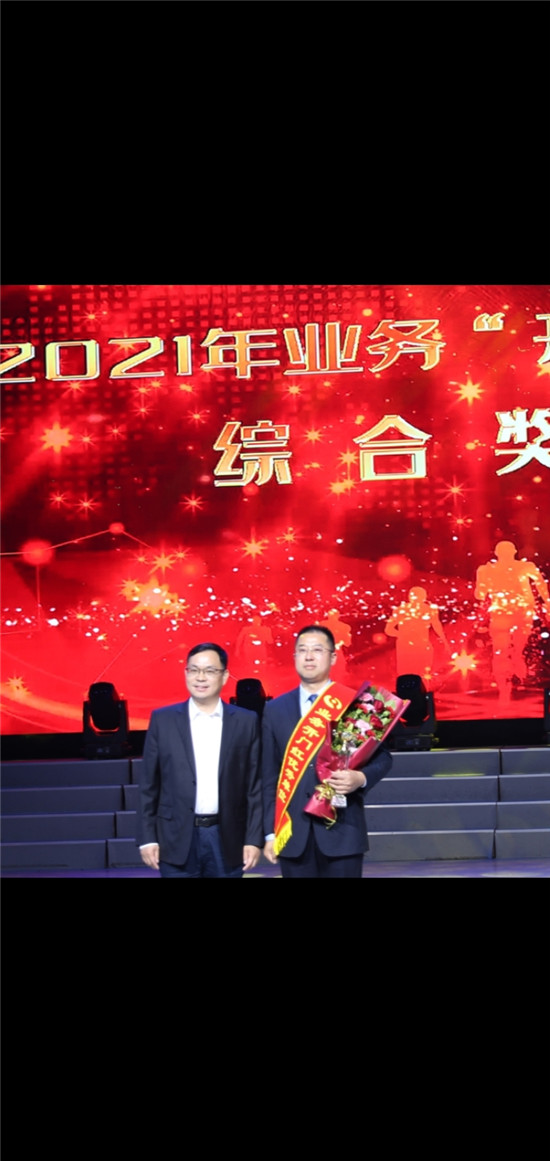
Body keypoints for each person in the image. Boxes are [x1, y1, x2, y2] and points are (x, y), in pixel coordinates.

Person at [261, 624, 392, 878]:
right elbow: (268, 775)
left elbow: (384, 758)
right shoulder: (275, 709)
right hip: (292, 833)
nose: (309, 657)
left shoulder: (355, 704)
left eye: (317, 650)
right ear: (295, 657)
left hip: (342, 831)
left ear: (332, 657)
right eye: (302, 650)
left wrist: (360, 779)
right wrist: (269, 833)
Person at [136, 642, 263, 877]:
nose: (200, 677)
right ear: (186, 673)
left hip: (227, 837)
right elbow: (148, 786)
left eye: (209, 671)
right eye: (194, 670)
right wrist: (147, 838)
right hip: (175, 837)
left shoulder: (246, 721)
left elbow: (254, 787)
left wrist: (254, 839)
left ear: (224, 676)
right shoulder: (163, 720)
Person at [474, 540, 549, 693]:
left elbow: (480, 594)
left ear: (496, 553)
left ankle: (505, 681)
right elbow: (541, 584)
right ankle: (514, 676)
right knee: (515, 648)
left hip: (505, 612)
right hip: (518, 611)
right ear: (515, 552)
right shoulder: (525, 567)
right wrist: (547, 604)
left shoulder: (488, 569)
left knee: (503, 649)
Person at [384, 585, 451, 680]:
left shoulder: (430, 610)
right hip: (406, 647)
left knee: (422, 674)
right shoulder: (400, 610)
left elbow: (437, 626)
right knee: (409, 674)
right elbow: (388, 629)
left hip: (421, 645)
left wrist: (445, 642)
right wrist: (403, 635)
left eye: (419, 596)